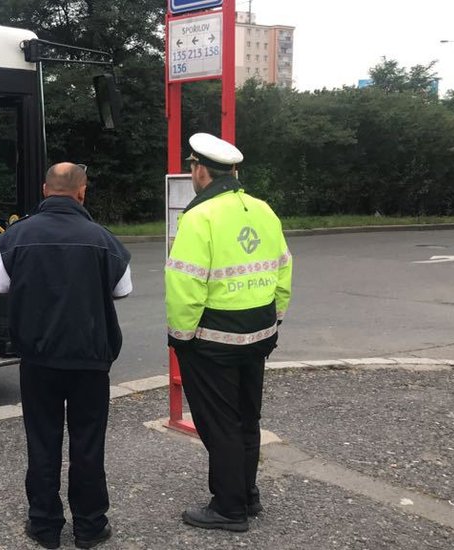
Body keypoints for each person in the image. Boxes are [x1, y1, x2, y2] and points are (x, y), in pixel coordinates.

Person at [0, 162, 132, 549]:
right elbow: (123, 291)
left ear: (44, 189)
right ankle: (90, 526)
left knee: (42, 439)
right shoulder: (103, 239)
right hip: (89, 359)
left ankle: (45, 525)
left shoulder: (17, 237)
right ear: (82, 192)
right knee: (88, 442)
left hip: (38, 359)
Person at [165, 133, 293, 532]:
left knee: (218, 424)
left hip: (212, 342)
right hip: (259, 334)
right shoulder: (263, 210)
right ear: (233, 172)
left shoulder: (198, 217)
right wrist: (276, 320)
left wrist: (180, 337)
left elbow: (186, 286)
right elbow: (283, 270)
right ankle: (247, 494)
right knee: (245, 418)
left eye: (192, 168)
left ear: (200, 171)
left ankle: (229, 508)